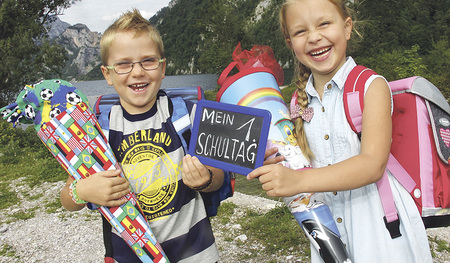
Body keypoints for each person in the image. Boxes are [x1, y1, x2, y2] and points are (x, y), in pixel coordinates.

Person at [247, 0, 432, 262]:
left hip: (382, 232)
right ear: (290, 44)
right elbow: (304, 166)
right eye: (300, 32)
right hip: (328, 232)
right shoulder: (297, 103)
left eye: (324, 23)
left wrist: (298, 181)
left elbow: (372, 165)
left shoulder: (371, 85)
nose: (314, 37)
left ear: (347, 27)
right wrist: (280, 164)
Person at [60, 9, 223, 263]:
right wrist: (81, 190)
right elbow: (68, 198)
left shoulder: (186, 115)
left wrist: (206, 180)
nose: (137, 72)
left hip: (197, 254)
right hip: (129, 256)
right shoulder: (98, 131)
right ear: (107, 75)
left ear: (162, 67)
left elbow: (219, 178)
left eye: (148, 61)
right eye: (124, 64)